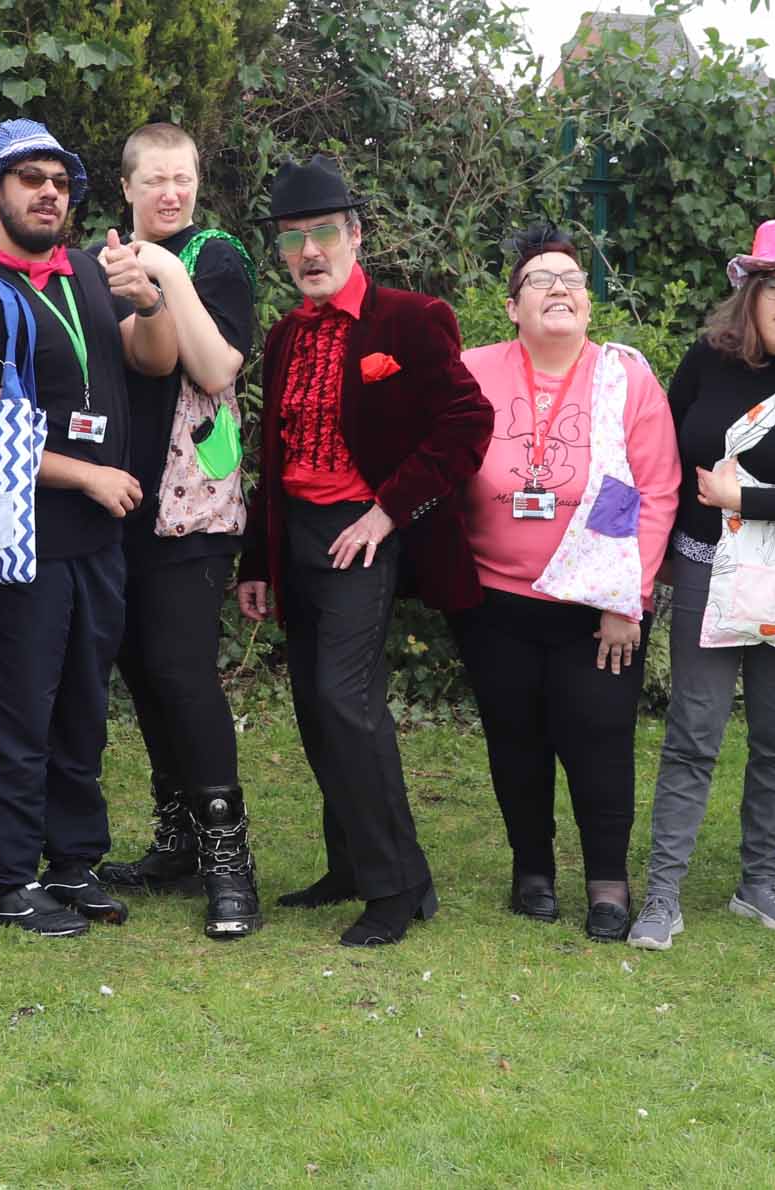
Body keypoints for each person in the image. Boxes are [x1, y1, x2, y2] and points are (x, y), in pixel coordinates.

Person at [235, 155, 490, 947]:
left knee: (347, 703)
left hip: (364, 533)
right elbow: (271, 456)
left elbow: (467, 423)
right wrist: (254, 561)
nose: (308, 253)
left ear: (354, 235)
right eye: (291, 240)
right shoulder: (283, 336)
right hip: (299, 534)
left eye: (321, 235)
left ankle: (396, 886)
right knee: (315, 707)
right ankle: (350, 862)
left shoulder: (410, 319)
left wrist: (387, 512)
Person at [0, 119, 180, 937]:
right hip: (22, 546)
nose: (49, 191)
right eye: (30, 179)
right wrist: (87, 473)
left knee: (83, 708)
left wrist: (149, 303)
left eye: (60, 180)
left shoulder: (85, 272)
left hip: (96, 545)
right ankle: (6, 882)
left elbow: (148, 360)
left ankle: (73, 865)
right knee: (17, 716)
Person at [626, 219, 775, 951]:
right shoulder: (707, 361)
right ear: (750, 295)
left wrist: (745, 501)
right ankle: (662, 895)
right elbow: (661, 457)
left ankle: (758, 882)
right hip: (703, 567)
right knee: (692, 734)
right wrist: (645, 557)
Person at [453, 225, 679, 941]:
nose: (559, 288)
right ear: (513, 307)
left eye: (572, 279)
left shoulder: (625, 376)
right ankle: (533, 871)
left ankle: (608, 883)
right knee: (513, 738)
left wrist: (624, 598)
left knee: (600, 739)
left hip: (593, 608)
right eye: (540, 280)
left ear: (588, 302)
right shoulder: (473, 369)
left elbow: (651, 490)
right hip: (495, 599)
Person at [89, 122, 269, 940]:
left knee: (183, 671)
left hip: (191, 505)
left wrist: (162, 270)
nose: (172, 192)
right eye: (155, 179)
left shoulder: (215, 256)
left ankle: (231, 861)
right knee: (144, 672)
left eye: (184, 178)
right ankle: (179, 842)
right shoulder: (100, 266)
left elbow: (219, 366)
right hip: (117, 499)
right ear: (125, 188)